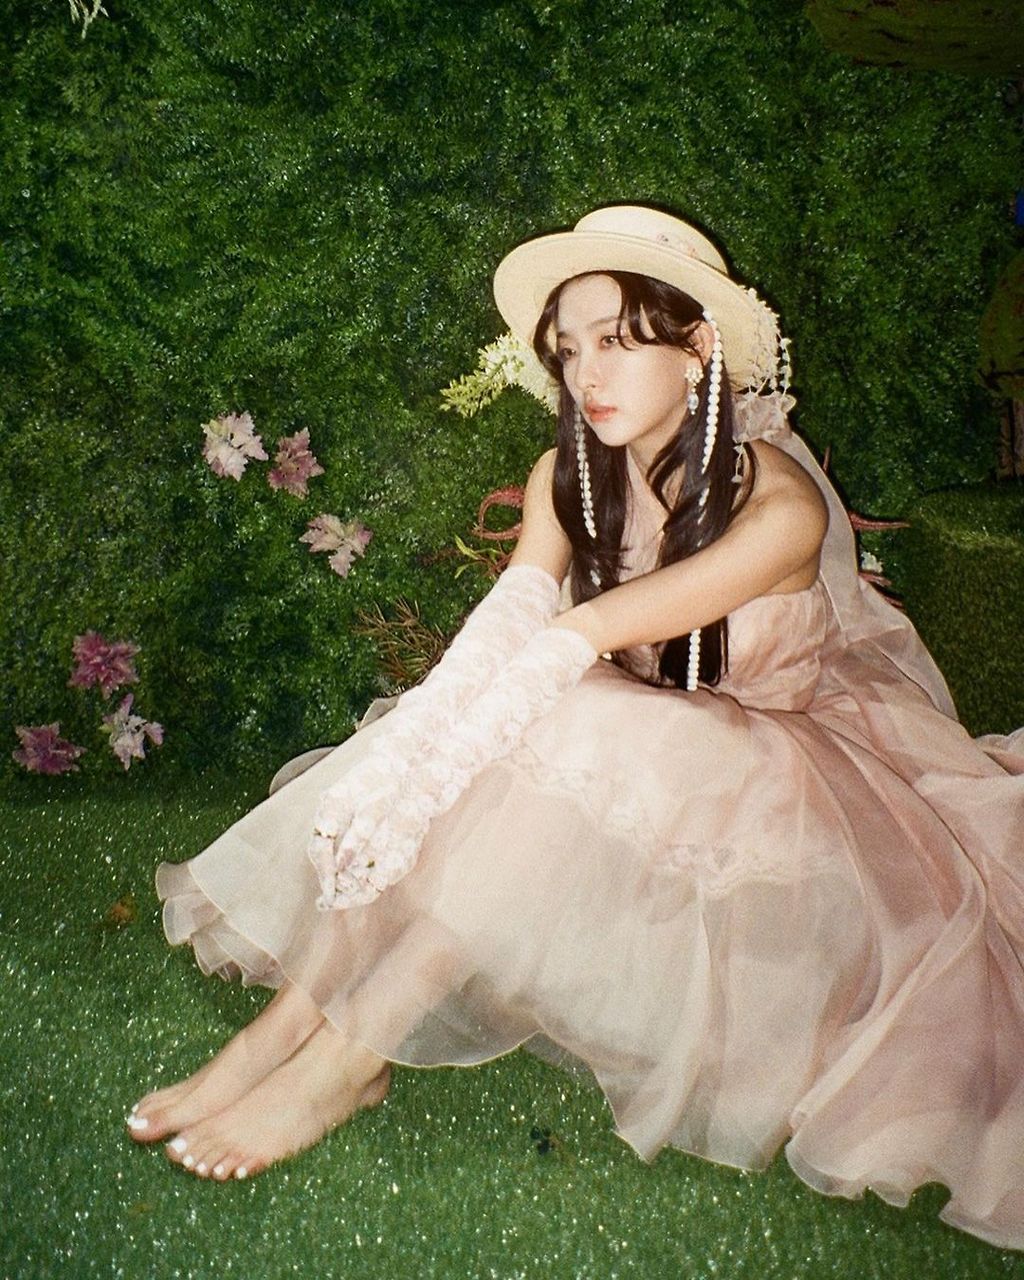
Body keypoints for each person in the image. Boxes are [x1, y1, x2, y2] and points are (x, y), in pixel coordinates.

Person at [127, 206, 1024, 1250]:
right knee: (483, 736)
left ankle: (343, 1058)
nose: (585, 375)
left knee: (568, 717)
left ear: (696, 349)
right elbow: (506, 625)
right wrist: (407, 763)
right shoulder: (570, 475)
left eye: (615, 341)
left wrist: (458, 751)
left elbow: (579, 636)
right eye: (567, 350)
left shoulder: (778, 506)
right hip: (630, 763)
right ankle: (282, 1033)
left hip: (782, 801)